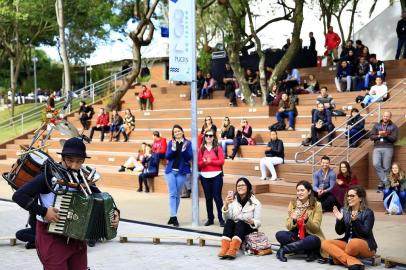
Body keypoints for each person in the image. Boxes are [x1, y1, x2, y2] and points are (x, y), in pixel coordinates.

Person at [12, 137, 120, 270]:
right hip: (51, 237)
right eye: (70, 160)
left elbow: (103, 199)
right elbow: (18, 196)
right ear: (62, 157)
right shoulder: (47, 176)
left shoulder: (82, 177)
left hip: (78, 238)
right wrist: (44, 212)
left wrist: (115, 213)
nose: (74, 166)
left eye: (79, 161)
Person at [321, 186, 377, 270]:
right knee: (325, 243)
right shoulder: (345, 210)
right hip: (348, 244)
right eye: (348, 196)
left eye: (352, 196)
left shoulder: (368, 212)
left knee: (354, 243)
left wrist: (355, 220)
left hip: (365, 245)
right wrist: (340, 220)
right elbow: (339, 232)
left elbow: (365, 232)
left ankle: (337, 260)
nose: (349, 198)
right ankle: (354, 262)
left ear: (360, 198)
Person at [275, 180, 326, 263]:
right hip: (296, 235)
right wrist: (294, 220)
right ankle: (308, 250)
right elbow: (288, 226)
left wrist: (307, 220)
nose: (299, 193)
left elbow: (316, 229)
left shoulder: (317, 205)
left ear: (309, 191)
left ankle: (284, 249)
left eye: (302, 190)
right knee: (280, 234)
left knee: (313, 240)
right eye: (298, 191)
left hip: (310, 235)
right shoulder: (293, 204)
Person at [218, 177, 261, 260]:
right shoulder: (233, 200)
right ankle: (224, 249)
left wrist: (252, 221)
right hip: (235, 229)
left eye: (243, 185)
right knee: (230, 222)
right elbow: (226, 218)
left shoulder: (256, 203)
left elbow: (258, 222)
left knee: (240, 223)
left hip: (248, 229)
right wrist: (226, 204)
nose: (240, 187)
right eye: (238, 186)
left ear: (248, 187)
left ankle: (232, 250)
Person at [165, 125, 193, 227]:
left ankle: (172, 216)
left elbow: (189, 157)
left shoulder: (188, 143)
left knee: (177, 194)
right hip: (171, 171)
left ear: (182, 131)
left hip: (182, 172)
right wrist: (172, 149)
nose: (177, 133)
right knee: (172, 194)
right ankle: (174, 216)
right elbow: (167, 156)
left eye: (178, 131)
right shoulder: (171, 143)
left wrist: (184, 150)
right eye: (175, 132)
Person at [198, 130, 225, 227]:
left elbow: (222, 161)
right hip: (205, 176)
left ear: (213, 137)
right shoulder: (201, 149)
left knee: (217, 198)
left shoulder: (218, 148)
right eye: (207, 135)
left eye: (211, 135)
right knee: (208, 198)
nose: (209, 137)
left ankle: (222, 219)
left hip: (217, 175)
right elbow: (199, 164)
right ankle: (210, 219)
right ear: (204, 137)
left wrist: (211, 162)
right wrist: (204, 163)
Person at [370, 111, 399, 190]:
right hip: (377, 147)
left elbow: (394, 139)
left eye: (387, 116)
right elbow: (371, 137)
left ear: (390, 117)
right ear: (382, 116)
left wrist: (386, 135)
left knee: (386, 167)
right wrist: (379, 135)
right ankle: (387, 182)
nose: (385, 117)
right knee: (376, 164)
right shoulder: (376, 125)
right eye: (384, 116)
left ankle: (383, 184)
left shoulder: (393, 126)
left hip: (388, 147)